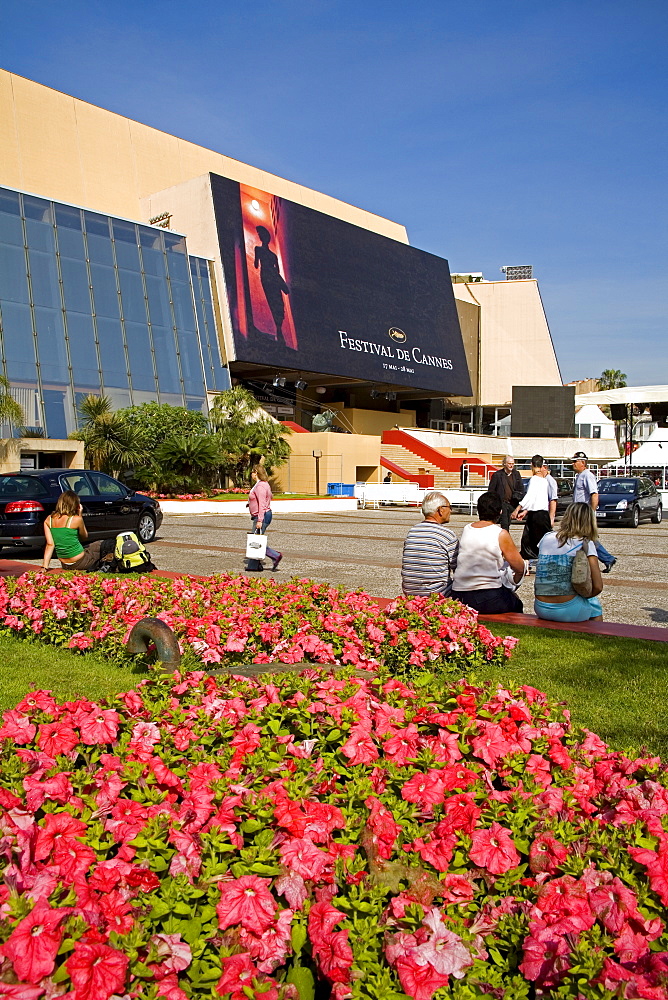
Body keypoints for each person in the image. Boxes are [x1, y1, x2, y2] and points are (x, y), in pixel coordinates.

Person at [451, 492, 526, 613]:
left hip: (459, 592)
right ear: (500, 511)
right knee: (516, 604)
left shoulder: (467, 528)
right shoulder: (500, 533)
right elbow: (518, 566)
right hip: (487, 594)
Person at [534, 502, 603, 622]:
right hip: (568, 610)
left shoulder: (546, 538)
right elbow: (598, 586)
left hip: (541, 607)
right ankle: (597, 636)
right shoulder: (585, 543)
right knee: (594, 604)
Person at [401, 491, 459, 597]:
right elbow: (458, 570)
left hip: (410, 593)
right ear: (440, 510)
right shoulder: (447, 535)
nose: (451, 510)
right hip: (437, 596)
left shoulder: (412, 532)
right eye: (449, 507)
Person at [571, 451, 616, 573]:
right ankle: (603, 559)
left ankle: (607, 558)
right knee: (583, 538)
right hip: (578, 513)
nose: (573, 464)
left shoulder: (587, 475)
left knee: (587, 538)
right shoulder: (579, 476)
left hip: (584, 513)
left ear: (583, 463)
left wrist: (591, 512)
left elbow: (594, 494)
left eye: (575, 461)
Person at [42, 490, 105, 571]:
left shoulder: (49, 519)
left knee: (89, 547)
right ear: (75, 504)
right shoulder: (76, 519)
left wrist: (44, 567)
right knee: (102, 545)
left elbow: (50, 545)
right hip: (81, 562)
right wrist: (80, 515)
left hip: (65, 564)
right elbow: (84, 537)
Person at [513, 455, 555, 561]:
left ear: (531, 465)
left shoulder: (534, 479)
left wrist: (518, 508)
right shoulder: (544, 481)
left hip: (536, 516)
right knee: (544, 541)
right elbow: (537, 499)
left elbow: (530, 496)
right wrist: (526, 511)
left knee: (528, 542)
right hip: (543, 514)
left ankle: (528, 563)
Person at [247, 466, 282, 572]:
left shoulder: (260, 486)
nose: (251, 474)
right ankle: (255, 566)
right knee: (256, 539)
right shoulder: (262, 484)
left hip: (262, 515)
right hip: (261, 514)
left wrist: (259, 520)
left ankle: (275, 556)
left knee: (255, 540)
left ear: (256, 473)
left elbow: (262, 504)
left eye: (252, 472)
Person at [488, 456, 525, 531]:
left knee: (508, 522)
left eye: (513, 464)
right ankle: (505, 537)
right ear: (504, 464)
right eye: (509, 464)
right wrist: (496, 506)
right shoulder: (497, 475)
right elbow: (491, 492)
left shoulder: (516, 474)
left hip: (513, 503)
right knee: (505, 524)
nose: (511, 465)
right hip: (502, 503)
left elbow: (521, 488)